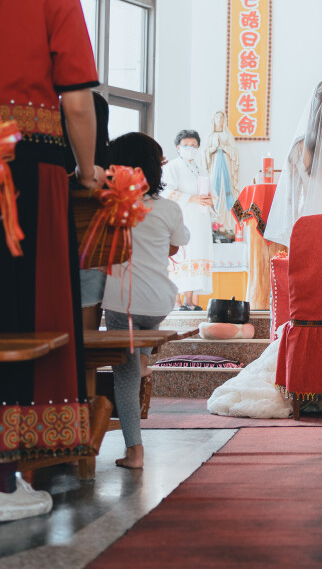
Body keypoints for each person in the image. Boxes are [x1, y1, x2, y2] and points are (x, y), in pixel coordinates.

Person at [0, 0, 102, 522]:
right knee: (25, 311)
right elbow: (78, 104)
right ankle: (7, 476)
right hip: (30, 173)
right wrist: (88, 172)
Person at [207, 78, 322, 418]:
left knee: (312, 314)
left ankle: (309, 383)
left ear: (313, 110)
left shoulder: (298, 149)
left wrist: (294, 244)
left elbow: (291, 205)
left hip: (310, 237)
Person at [102, 133, 189, 469]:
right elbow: (174, 246)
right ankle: (143, 355)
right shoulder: (169, 208)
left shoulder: (110, 207)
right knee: (144, 324)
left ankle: (134, 452)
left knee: (124, 379)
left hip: (121, 304)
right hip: (159, 305)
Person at [62, 90, 112, 317]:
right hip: (96, 258)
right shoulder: (112, 163)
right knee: (88, 335)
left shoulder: (52, 160)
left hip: (54, 254)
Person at [162, 129, 214, 310]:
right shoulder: (172, 167)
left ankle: (189, 299)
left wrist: (210, 200)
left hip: (200, 220)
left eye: (194, 145)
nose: (190, 149)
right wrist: (191, 198)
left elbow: (211, 193)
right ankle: (176, 301)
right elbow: (166, 191)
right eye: (186, 145)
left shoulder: (202, 170)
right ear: (178, 147)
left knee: (197, 254)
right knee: (181, 256)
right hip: (181, 218)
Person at [201, 110, 240, 237]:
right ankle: (215, 223)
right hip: (214, 168)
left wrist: (223, 147)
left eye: (221, 117)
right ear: (213, 119)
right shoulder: (210, 136)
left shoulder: (227, 136)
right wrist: (214, 148)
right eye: (217, 116)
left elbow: (234, 153)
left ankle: (226, 224)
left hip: (226, 168)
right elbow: (204, 154)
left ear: (224, 120)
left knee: (225, 191)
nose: (219, 119)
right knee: (214, 192)